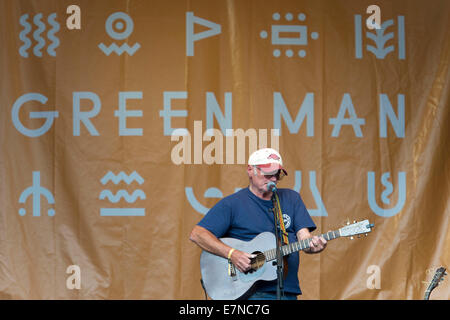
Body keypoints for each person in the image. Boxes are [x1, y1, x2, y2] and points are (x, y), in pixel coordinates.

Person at [189, 148, 327, 300]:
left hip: (287, 290)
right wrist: (232, 254)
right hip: (248, 292)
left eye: (277, 174)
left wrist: (314, 245)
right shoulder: (233, 203)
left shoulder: (291, 199)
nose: (273, 179)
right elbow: (198, 234)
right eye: (268, 173)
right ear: (250, 170)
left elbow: (304, 238)